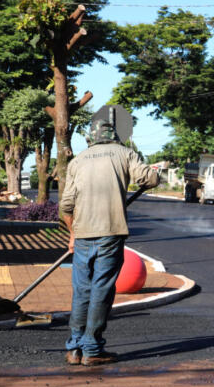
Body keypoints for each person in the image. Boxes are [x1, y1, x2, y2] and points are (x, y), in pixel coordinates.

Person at [60, 120, 159, 366]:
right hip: (110, 234)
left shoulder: (78, 161)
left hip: (82, 234)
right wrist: (153, 173)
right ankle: (92, 349)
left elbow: (65, 206)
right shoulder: (125, 153)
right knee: (101, 289)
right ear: (114, 137)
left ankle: (74, 349)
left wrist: (73, 234)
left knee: (82, 290)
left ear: (90, 139)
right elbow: (150, 180)